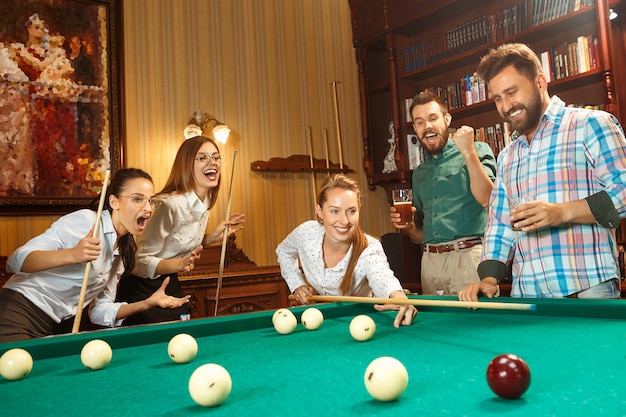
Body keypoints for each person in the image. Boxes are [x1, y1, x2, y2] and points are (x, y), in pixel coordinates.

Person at [458, 43, 626, 301]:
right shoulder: (507, 156)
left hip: (589, 289)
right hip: (528, 296)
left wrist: (561, 212)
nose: (505, 106)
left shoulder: (591, 124)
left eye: (511, 92)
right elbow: (500, 225)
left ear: (540, 82)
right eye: (498, 99)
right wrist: (489, 279)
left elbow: (623, 191)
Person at [0, 168, 191, 342]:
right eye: (138, 199)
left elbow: (99, 311)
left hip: (57, 327)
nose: (148, 208)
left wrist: (147, 303)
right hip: (19, 313)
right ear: (114, 202)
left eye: (151, 200)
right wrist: (73, 255)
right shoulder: (87, 222)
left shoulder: (123, 253)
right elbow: (16, 261)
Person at [116, 136, 245, 325]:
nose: (213, 163)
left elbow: (174, 244)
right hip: (140, 288)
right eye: (203, 158)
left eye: (216, 157)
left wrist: (210, 239)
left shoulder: (205, 203)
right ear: (186, 165)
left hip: (170, 282)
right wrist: (180, 264)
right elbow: (138, 261)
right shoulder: (167, 205)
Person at [390, 90, 496, 295]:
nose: (427, 126)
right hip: (430, 264)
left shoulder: (478, 150)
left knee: (476, 325)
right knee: (436, 326)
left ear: (447, 119)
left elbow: (487, 199)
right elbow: (422, 234)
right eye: (419, 122)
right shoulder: (419, 173)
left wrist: (468, 152)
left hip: (469, 258)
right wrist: (409, 227)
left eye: (432, 118)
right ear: (415, 128)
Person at [276, 174, 417, 328]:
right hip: (317, 323)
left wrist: (399, 299)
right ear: (320, 211)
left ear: (359, 210)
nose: (344, 221)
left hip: (359, 324)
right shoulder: (306, 233)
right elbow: (284, 252)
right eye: (334, 211)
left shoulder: (370, 248)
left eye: (351, 211)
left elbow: (382, 278)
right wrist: (297, 285)